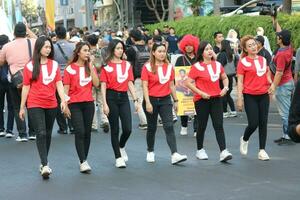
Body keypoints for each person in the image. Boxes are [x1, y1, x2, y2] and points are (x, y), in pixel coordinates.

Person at [19, 36, 67, 179]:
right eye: (46, 47)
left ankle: (43, 161)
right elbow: (26, 87)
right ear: (38, 48)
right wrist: (22, 107)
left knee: (47, 133)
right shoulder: (30, 65)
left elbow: (59, 83)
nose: (48, 49)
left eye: (49, 47)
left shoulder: (54, 65)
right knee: (40, 132)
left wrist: (63, 100)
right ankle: (45, 164)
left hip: (51, 103)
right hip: (34, 103)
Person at [185, 41, 232, 162]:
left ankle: (223, 151)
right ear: (201, 52)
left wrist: (225, 88)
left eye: (211, 48)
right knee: (202, 126)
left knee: (218, 125)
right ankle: (200, 150)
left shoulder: (217, 65)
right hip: (202, 100)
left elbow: (225, 78)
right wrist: (200, 92)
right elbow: (188, 82)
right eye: (206, 49)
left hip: (216, 98)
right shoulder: (196, 67)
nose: (210, 51)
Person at [141, 42, 187, 165]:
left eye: (163, 51)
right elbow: (144, 86)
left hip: (166, 100)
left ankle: (174, 154)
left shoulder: (169, 67)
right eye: (159, 51)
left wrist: (176, 100)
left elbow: (172, 85)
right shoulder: (147, 67)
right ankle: (150, 151)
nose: (162, 54)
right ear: (153, 52)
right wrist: (148, 103)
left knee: (169, 126)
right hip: (151, 99)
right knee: (152, 127)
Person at [100, 39, 139, 168]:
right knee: (115, 129)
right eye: (117, 48)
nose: (120, 50)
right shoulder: (106, 66)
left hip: (123, 98)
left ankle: (121, 146)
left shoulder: (127, 65)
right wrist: (104, 104)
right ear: (112, 50)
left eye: (121, 48)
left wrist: (136, 100)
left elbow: (130, 83)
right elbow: (103, 86)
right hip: (111, 97)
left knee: (128, 128)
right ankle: (118, 157)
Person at [63, 41, 99, 173]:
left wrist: (91, 66)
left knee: (87, 132)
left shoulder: (90, 67)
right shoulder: (70, 69)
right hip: (74, 104)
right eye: (85, 50)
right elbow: (65, 89)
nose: (87, 53)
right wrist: (65, 105)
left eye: (88, 51)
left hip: (88, 103)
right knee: (80, 131)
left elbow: (96, 84)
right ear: (78, 52)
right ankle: (83, 161)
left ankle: (83, 158)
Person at [237, 35, 272, 161]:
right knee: (253, 124)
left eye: (254, 44)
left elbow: (267, 75)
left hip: (263, 94)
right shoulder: (243, 62)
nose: (253, 47)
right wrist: (239, 98)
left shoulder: (263, 59)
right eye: (250, 45)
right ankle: (245, 139)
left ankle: (262, 150)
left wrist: (271, 86)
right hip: (250, 95)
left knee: (263, 122)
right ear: (245, 49)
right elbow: (240, 81)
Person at [0, 22, 37, 141]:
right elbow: (39, 39)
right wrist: (28, 29)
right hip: (31, 78)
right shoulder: (32, 42)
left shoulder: (7, 46)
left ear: (14, 32)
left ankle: (22, 134)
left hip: (15, 79)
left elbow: (1, 62)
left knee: (16, 107)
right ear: (25, 31)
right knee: (31, 105)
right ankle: (33, 133)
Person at [269, 17, 294, 145]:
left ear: (280, 39)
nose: (277, 37)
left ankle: (289, 136)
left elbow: (278, 73)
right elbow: (281, 32)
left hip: (283, 86)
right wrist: (274, 19)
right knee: (288, 110)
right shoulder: (288, 47)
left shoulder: (282, 55)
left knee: (285, 113)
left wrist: (273, 86)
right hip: (288, 83)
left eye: (278, 36)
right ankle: (286, 134)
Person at [175, 34, 199, 136]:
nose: (189, 47)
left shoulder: (199, 58)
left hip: (197, 86)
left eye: (191, 45)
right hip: (183, 87)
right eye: (187, 45)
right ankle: (184, 126)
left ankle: (196, 129)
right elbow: (176, 74)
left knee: (197, 108)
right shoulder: (180, 59)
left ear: (194, 46)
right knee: (184, 105)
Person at [126, 29, 149, 130]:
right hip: (150, 78)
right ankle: (158, 119)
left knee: (138, 100)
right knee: (150, 99)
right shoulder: (149, 48)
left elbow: (129, 66)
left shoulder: (131, 50)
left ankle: (144, 122)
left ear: (132, 38)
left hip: (138, 78)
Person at [54, 26, 75, 134]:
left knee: (59, 102)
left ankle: (63, 127)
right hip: (71, 76)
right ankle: (72, 126)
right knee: (70, 100)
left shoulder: (53, 47)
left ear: (56, 35)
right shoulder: (73, 46)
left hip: (57, 78)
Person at [86, 34, 110, 133]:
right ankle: (105, 120)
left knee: (92, 101)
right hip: (101, 79)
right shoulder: (101, 52)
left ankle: (93, 124)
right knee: (101, 101)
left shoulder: (87, 53)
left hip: (90, 79)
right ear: (97, 42)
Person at [217, 40, 237, 118]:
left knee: (223, 94)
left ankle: (224, 111)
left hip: (223, 77)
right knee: (228, 94)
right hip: (231, 76)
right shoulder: (231, 54)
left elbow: (219, 66)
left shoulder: (222, 54)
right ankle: (233, 110)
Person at [0, 34, 14, 138]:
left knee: (0, 106)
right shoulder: (10, 51)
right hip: (10, 80)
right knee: (11, 106)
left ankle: (1, 128)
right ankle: (9, 130)